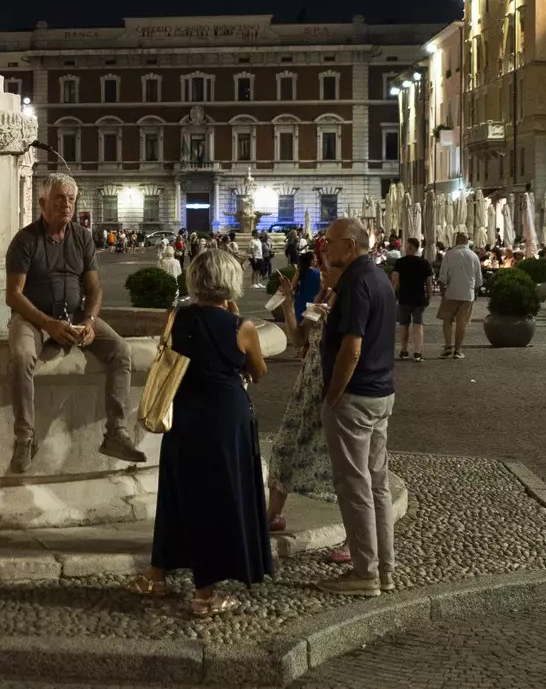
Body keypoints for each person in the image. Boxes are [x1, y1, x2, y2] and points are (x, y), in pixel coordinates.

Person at [129, 249, 272, 617]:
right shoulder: (243, 328)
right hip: (226, 422)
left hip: (186, 419)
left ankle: (156, 576)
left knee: (176, 494)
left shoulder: (176, 318)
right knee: (218, 500)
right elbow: (257, 372)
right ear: (230, 282)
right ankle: (204, 596)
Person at [3, 173, 147, 473]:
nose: (66, 205)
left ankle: (116, 432)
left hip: (76, 315)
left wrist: (90, 321)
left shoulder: (81, 237)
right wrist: (47, 324)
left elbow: (95, 289)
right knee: (21, 356)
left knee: (120, 349)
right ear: (42, 202)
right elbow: (14, 296)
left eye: (71, 199)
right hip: (33, 317)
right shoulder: (25, 240)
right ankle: (24, 438)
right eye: (59, 198)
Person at [319, 218, 397, 596]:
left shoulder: (355, 282)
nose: (325, 247)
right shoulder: (379, 277)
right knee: (377, 484)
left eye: (330, 242)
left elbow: (351, 348)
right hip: (382, 392)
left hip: (356, 396)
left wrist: (333, 395)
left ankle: (364, 573)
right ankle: (385, 569)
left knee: (354, 485)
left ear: (349, 245)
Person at [267, 241, 339, 542]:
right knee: (285, 446)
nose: (322, 268)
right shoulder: (323, 295)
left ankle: (357, 535)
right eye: (319, 262)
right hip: (306, 385)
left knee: (343, 463)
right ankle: (273, 515)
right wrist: (288, 304)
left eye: (326, 263)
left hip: (333, 387)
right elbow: (298, 338)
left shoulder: (348, 296)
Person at [435, 231, 482, 359]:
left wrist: (442, 292)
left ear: (456, 241)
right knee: (461, 323)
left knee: (447, 320)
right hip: (467, 294)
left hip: (451, 292)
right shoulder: (474, 256)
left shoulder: (450, 254)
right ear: (467, 241)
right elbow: (479, 280)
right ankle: (458, 350)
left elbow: (443, 276)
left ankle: (448, 347)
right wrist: (475, 291)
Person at [388, 238, 433, 363]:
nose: (404, 247)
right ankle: (417, 353)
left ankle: (404, 350)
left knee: (404, 324)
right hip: (419, 297)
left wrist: (392, 295)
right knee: (418, 325)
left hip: (404, 297)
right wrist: (429, 296)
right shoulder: (424, 262)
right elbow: (429, 283)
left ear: (410, 247)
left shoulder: (400, 262)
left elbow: (394, 281)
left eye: (405, 245)